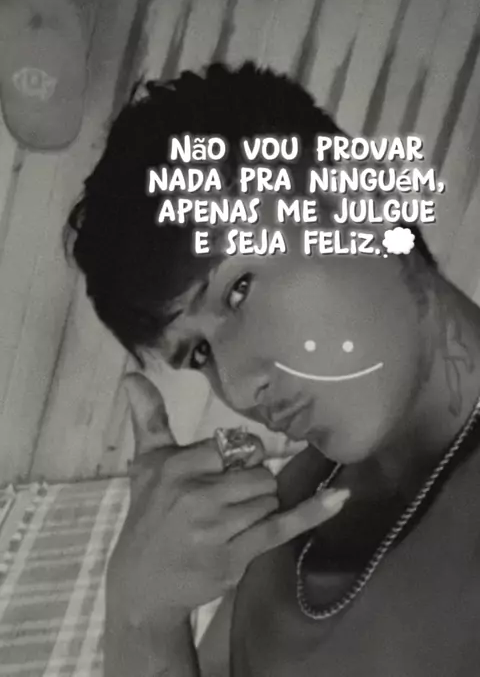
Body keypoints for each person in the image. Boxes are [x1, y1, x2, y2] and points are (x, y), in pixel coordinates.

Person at [66, 63, 480, 676]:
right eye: (199, 354)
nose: (238, 387)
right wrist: (142, 614)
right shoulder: (296, 499)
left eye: (237, 290)